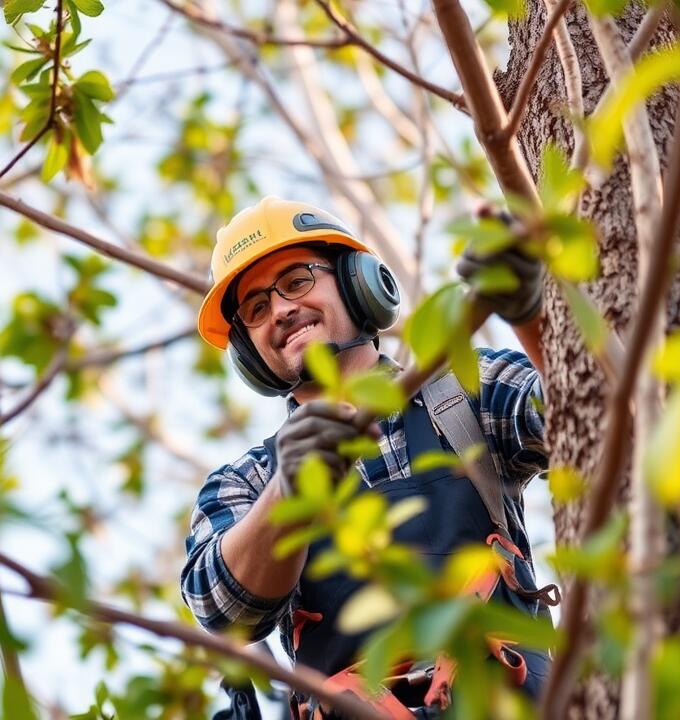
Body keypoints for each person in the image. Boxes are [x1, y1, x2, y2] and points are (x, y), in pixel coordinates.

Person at [181, 197, 556, 719]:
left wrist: (533, 316)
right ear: (248, 353)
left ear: (359, 282)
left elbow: (595, 421)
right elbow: (220, 607)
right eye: (257, 310)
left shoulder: (470, 390)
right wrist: (288, 494)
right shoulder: (246, 481)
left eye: (295, 282)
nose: (283, 311)